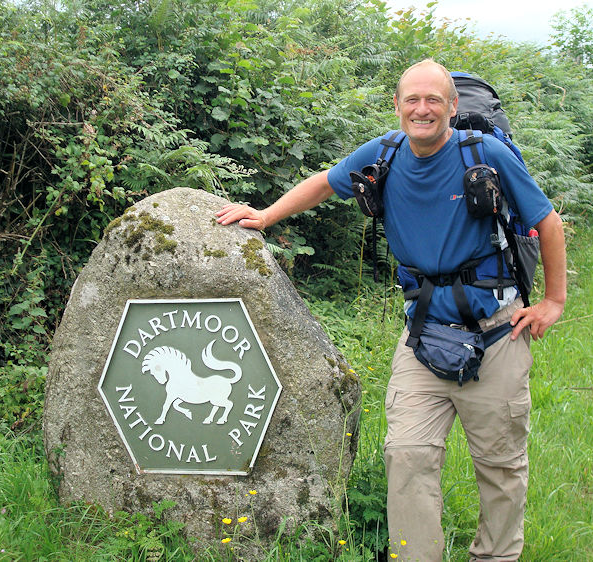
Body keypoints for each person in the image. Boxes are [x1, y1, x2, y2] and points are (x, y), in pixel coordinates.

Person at [216, 59, 566, 561]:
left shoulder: (483, 152)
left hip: (496, 336)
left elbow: (546, 222)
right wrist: (266, 216)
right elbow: (324, 181)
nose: (422, 109)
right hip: (423, 337)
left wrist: (553, 301)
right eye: (412, 99)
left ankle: (496, 555)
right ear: (398, 106)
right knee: (406, 455)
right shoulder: (386, 152)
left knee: (501, 465)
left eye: (433, 100)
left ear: (452, 106)